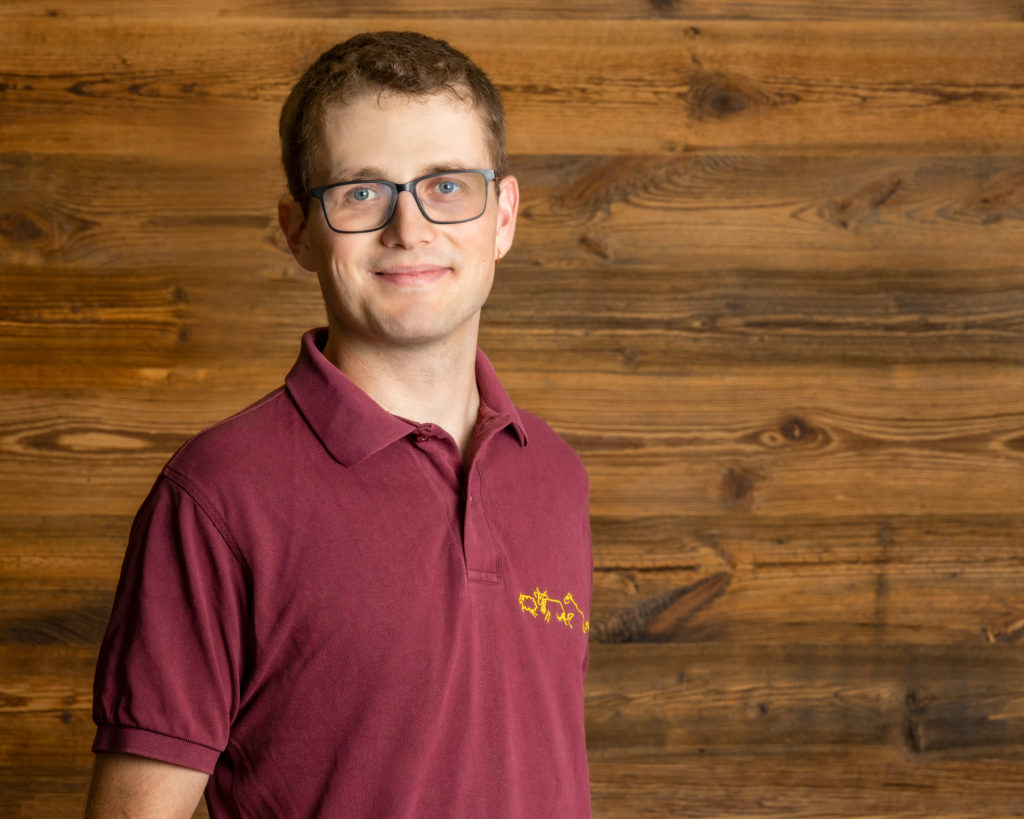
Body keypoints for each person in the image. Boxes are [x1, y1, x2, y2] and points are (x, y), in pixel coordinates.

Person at [86, 30, 593, 817]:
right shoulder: (217, 496)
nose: (409, 229)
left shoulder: (553, 473)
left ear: (504, 216)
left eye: (447, 185)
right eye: (361, 193)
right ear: (297, 230)